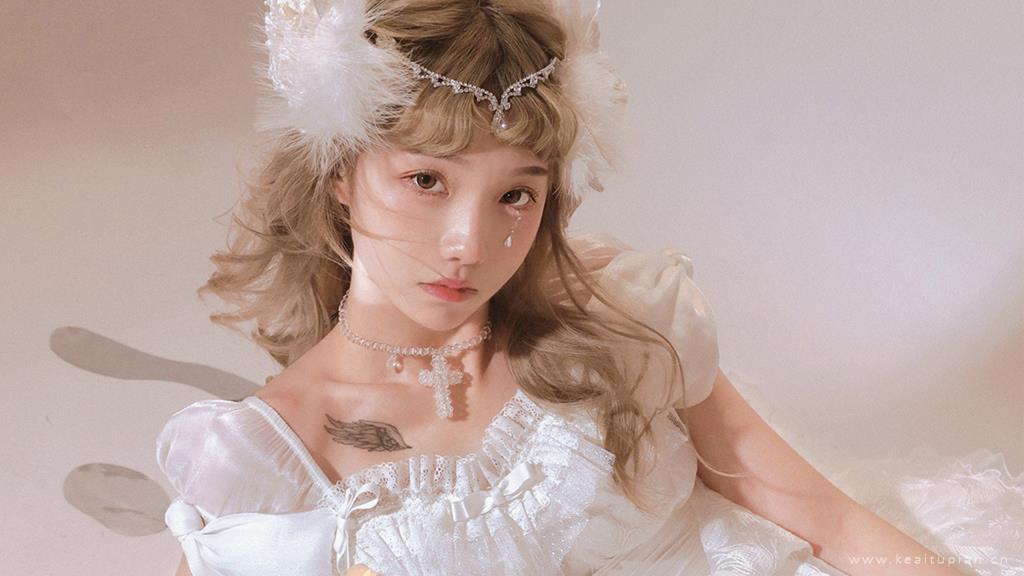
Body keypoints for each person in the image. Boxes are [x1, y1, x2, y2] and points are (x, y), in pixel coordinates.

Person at [155, 1, 1023, 575]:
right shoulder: (270, 462)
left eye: (515, 195)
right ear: (341, 174)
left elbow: (825, 521)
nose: (470, 244)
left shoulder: (619, 318)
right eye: (426, 181)